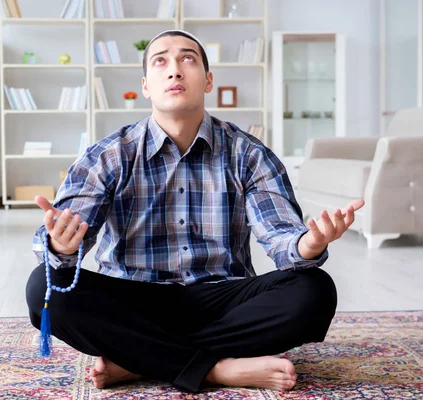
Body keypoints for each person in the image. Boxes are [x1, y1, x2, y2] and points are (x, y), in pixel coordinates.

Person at [26, 29, 364, 393]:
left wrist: (308, 244)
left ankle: (141, 360)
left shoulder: (247, 153)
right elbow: (62, 242)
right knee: (44, 288)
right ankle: (219, 369)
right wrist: (61, 245)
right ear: (146, 85)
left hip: (222, 296)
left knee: (314, 290)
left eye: (188, 59)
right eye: (161, 61)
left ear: (208, 80)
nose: (174, 70)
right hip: (134, 298)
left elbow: (282, 237)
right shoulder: (109, 155)